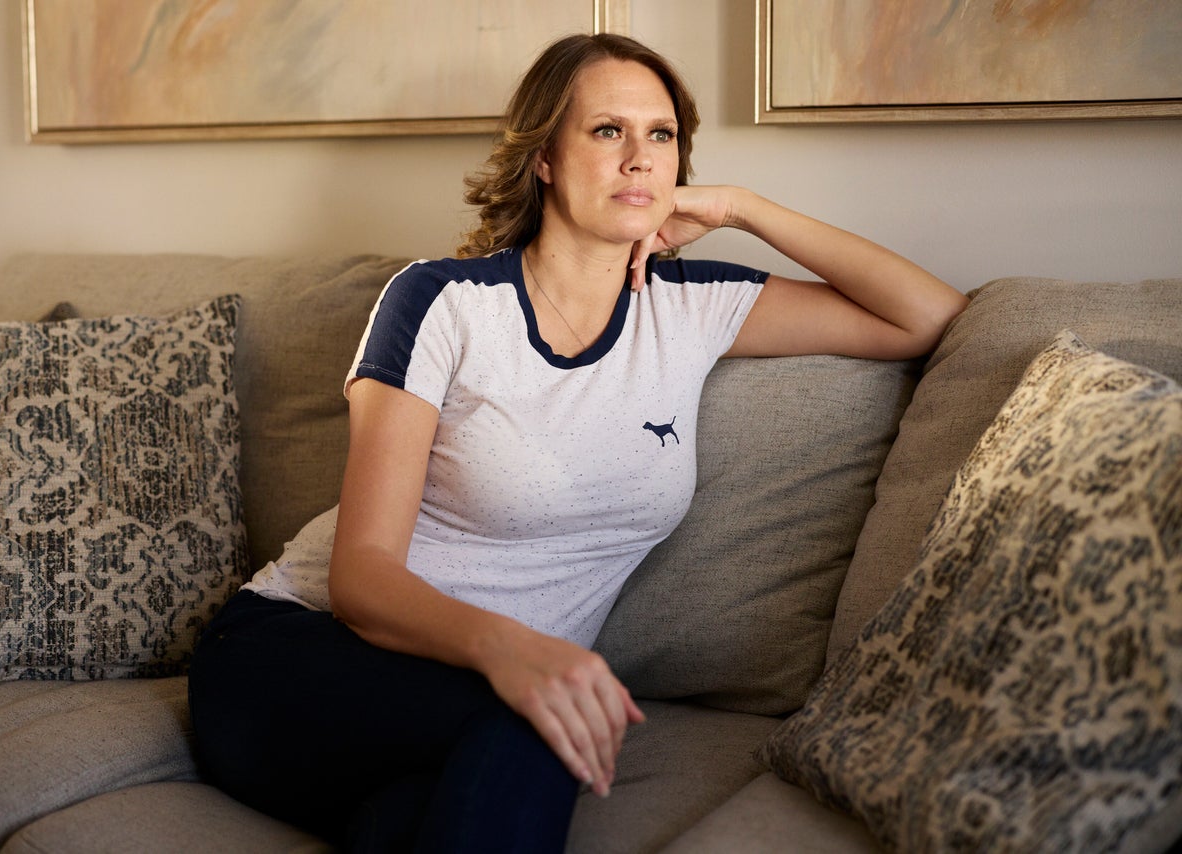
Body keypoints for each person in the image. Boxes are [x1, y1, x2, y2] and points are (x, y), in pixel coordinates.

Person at [188, 32, 968, 853]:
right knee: (544, 725)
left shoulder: (693, 309)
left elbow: (928, 317)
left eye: (660, 136)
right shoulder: (441, 303)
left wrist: (741, 208)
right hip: (294, 660)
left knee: (425, 814)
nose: (639, 159)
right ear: (546, 158)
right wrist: (525, 659)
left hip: (466, 712)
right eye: (607, 131)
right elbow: (362, 579)